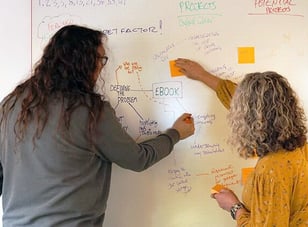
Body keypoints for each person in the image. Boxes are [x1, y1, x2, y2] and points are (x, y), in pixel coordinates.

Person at [0, 25, 195, 226]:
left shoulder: (11, 105)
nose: (102, 67)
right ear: (84, 63)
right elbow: (137, 159)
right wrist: (175, 134)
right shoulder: (89, 111)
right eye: (100, 59)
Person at [175, 58, 308, 226]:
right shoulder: (297, 143)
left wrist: (234, 206)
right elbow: (243, 100)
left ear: (250, 118)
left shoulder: (271, 170)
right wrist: (202, 75)